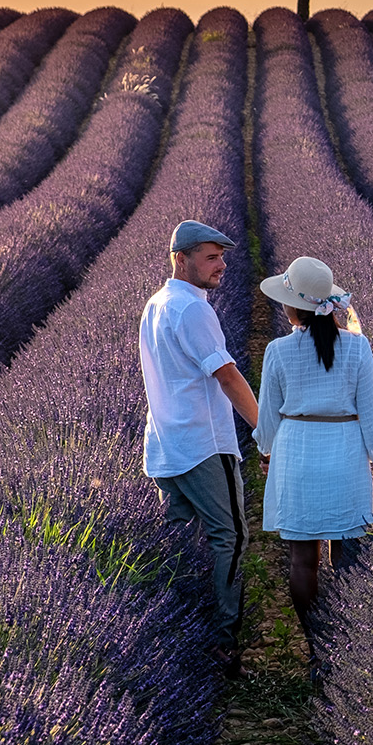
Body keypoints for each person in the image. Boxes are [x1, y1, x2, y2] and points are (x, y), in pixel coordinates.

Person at [139, 220, 259, 679]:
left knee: (180, 545)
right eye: (211, 257)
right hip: (203, 446)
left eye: (222, 257)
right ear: (180, 259)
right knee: (230, 537)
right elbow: (226, 375)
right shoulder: (191, 310)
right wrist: (265, 430)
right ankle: (223, 646)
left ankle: (176, 641)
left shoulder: (156, 305)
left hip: (166, 446)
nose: (222, 265)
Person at [254, 256, 373, 645]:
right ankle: (346, 644)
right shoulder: (357, 347)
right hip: (346, 457)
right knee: (346, 557)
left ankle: (316, 644)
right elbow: (370, 410)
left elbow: (267, 420)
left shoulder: (277, 351)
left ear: (293, 308)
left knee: (303, 561)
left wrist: (267, 455)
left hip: (296, 456)